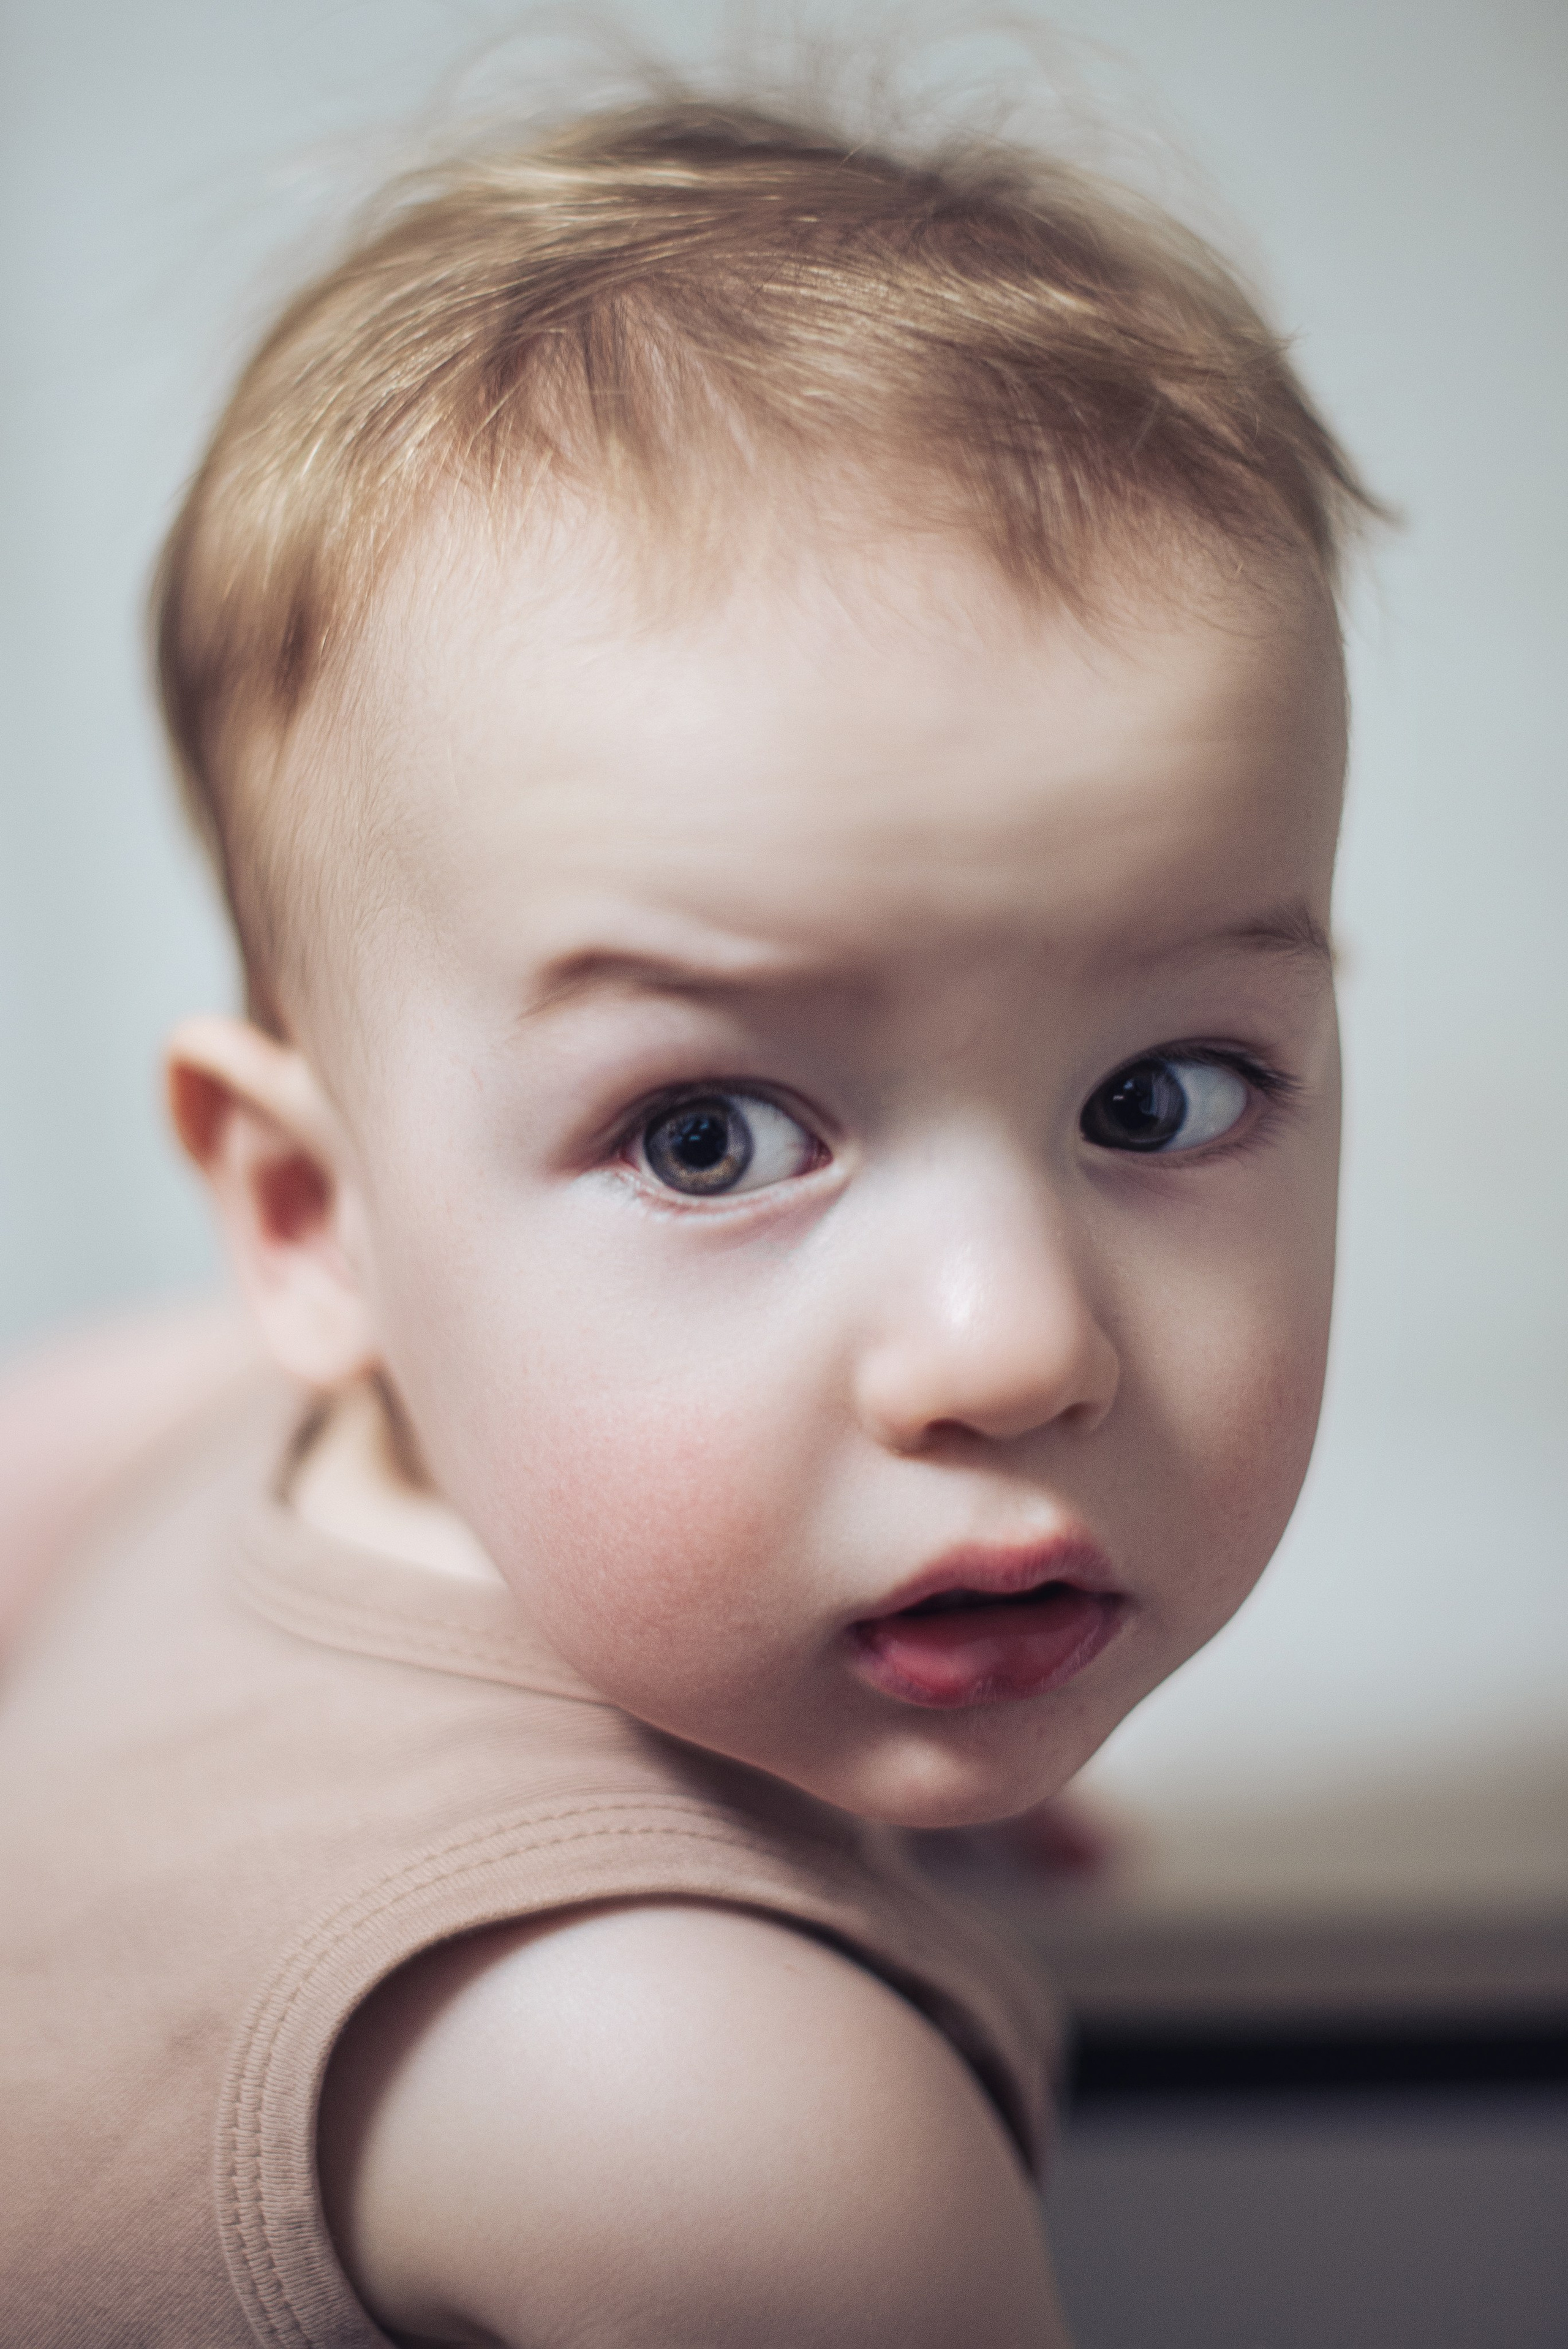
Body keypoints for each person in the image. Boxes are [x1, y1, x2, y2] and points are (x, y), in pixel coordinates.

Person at [0, 88, 1378, 2348]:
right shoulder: (728, 2120)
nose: (1012, 1343)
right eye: (711, 1139)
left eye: (1163, 1092)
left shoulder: (193, 1427)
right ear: (313, 1208)